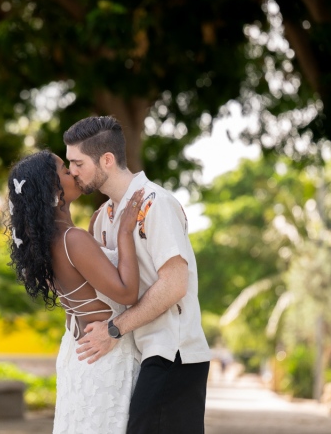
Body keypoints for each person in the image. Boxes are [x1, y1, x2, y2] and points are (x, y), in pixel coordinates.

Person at [64, 115, 211, 434]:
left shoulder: (155, 204)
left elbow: (174, 285)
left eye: (77, 163)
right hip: (138, 355)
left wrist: (113, 329)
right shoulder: (103, 218)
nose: (72, 172)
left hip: (175, 353)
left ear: (106, 159)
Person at [6, 150, 146, 434]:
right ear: (52, 189)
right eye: (65, 170)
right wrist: (124, 235)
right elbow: (128, 294)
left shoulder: (54, 241)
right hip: (104, 359)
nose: (74, 171)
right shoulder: (73, 239)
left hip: (81, 356)